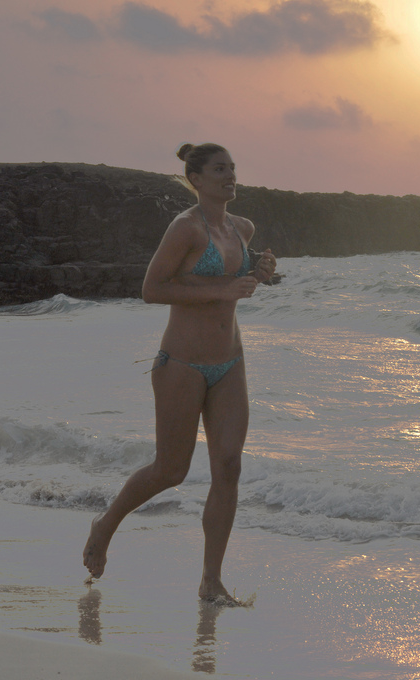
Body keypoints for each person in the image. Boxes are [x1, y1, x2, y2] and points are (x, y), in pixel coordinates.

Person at [83, 143, 277, 602]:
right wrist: (223, 289)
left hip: (230, 362)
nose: (230, 176)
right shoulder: (185, 228)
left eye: (232, 168)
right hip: (181, 365)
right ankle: (105, 524)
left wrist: (261, 271)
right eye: (219, 169)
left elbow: (234, 280)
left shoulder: (242, 228)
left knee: (228, 466)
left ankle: (211, 581)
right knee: (171, 470)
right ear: (196, 179)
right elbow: (152, 289)